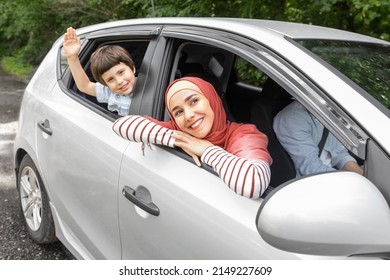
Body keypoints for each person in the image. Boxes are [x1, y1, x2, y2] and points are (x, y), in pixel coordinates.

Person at [112, 77, 272, 199]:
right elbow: (121, 125)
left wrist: (206, 149)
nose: (188, 115)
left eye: (194, 101)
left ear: (212, 100)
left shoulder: (244, 134)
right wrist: (177, 140)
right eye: (178, 112)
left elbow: (253, 183)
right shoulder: (178, 131)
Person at [273, 100, 363, 177]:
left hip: (331, 175)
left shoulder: (325, 114)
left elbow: (340, 154)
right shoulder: (293, 118)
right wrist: (352, 181)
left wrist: (361, 176)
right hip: (312, 184)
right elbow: (312, 169)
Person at [63, 27, 136, 116]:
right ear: (105, 83)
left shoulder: (151, 83)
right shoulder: (111, 93)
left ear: (132, 68)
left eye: (121, 72)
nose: (119, 81)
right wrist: (72, 57)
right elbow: (84, 86)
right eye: (110, 79)